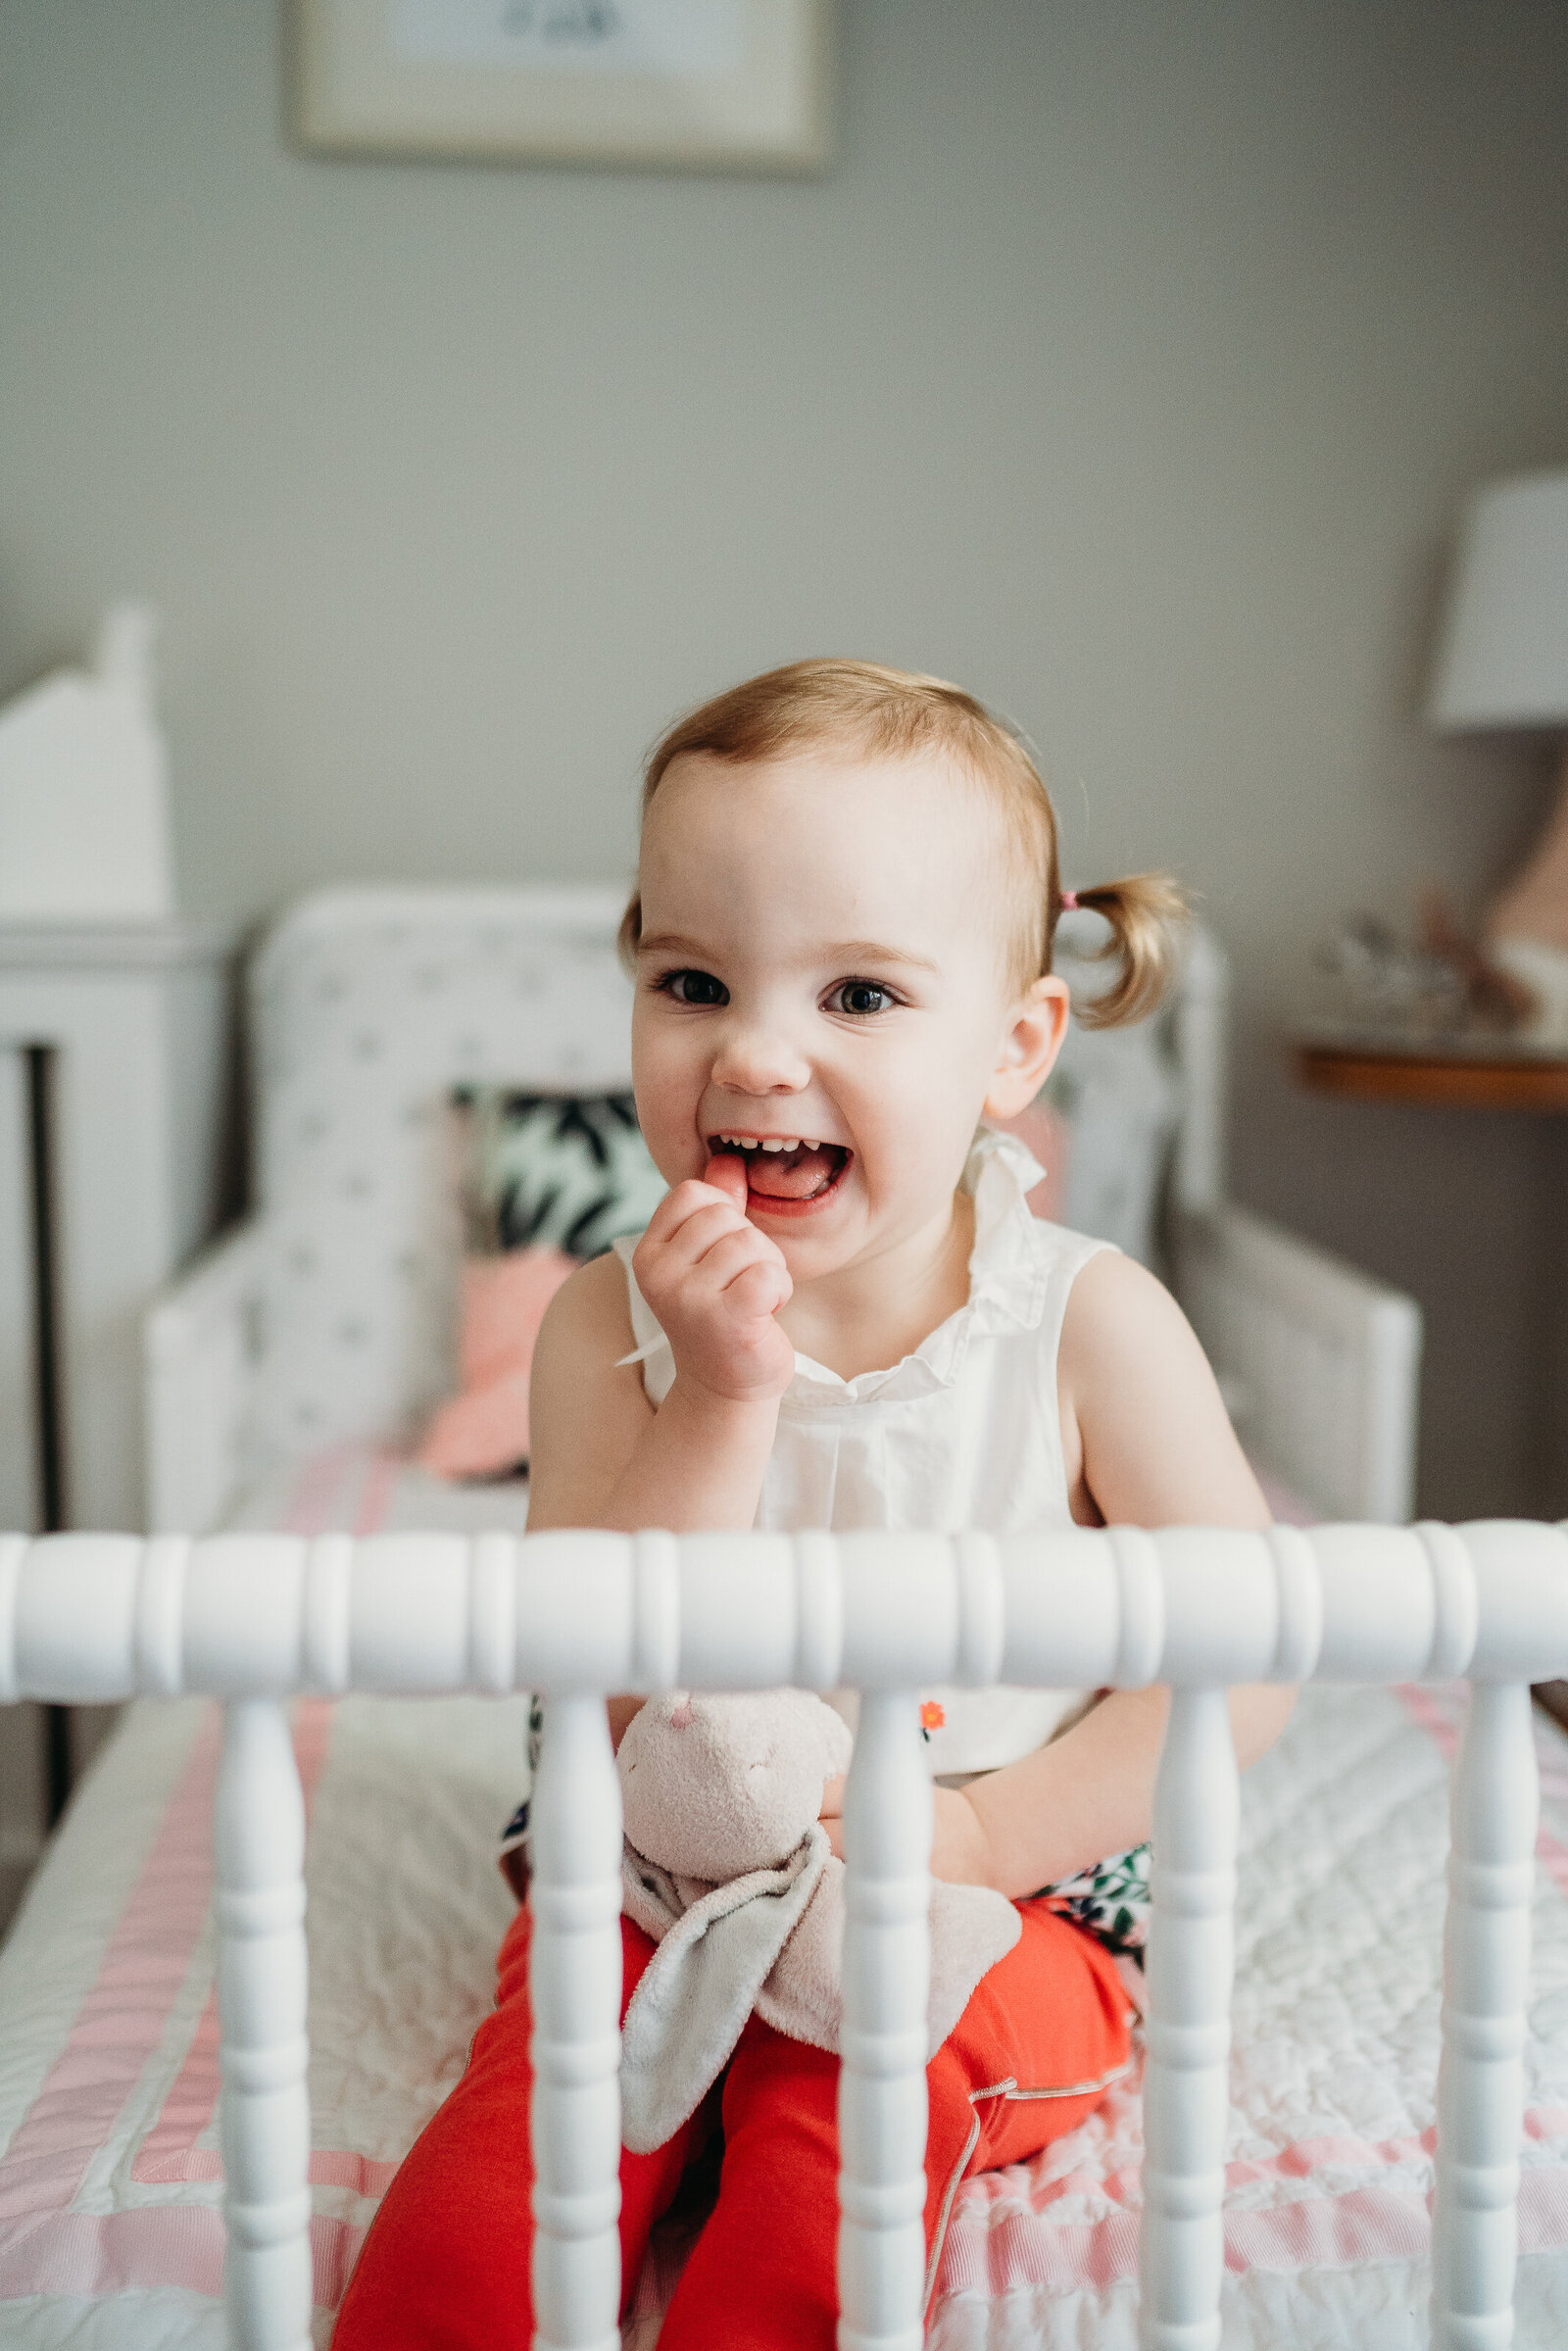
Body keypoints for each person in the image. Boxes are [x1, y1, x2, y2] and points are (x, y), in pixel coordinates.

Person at [332, 659, 1291, 2349]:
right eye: (694, 980)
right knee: (537, 2109)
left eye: (857, 997)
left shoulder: (1090, 1321)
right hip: (658, 1868)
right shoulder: (601, 1325)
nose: (756, 1052)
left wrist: (983, 1837)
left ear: (1014, 1049)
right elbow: (607, 1676)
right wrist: (723, 1395)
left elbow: (1250, 1659)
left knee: (854, 2100)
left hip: (1004, 1888)